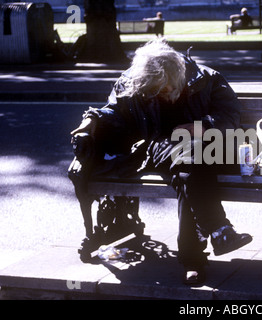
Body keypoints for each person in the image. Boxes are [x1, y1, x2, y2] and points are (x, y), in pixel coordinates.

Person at [70, 39, 252, 285]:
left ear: (178, 77)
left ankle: (197, 257)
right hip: (158, 149)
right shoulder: (133, 80)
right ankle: (217, 233)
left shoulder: (207, 79)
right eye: (152, 92)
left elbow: (230, 116)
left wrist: (200, 126)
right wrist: (91, 119)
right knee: (189, 162)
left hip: (211, 151)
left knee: (188, 170)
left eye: (164, 89)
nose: (159, 96)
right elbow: (114, 111)